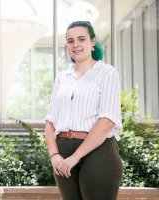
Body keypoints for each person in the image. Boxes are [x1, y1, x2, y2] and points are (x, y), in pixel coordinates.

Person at [44, 21, 123, 200]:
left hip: (98, 151)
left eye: (81, 39)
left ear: (92, 41)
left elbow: (106, 121)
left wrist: (75, 157)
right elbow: (50, 122)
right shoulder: (62, 78)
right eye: (70, 41)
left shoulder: (107, 73)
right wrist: (54, 155)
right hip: (62, 152)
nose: (75, 45)